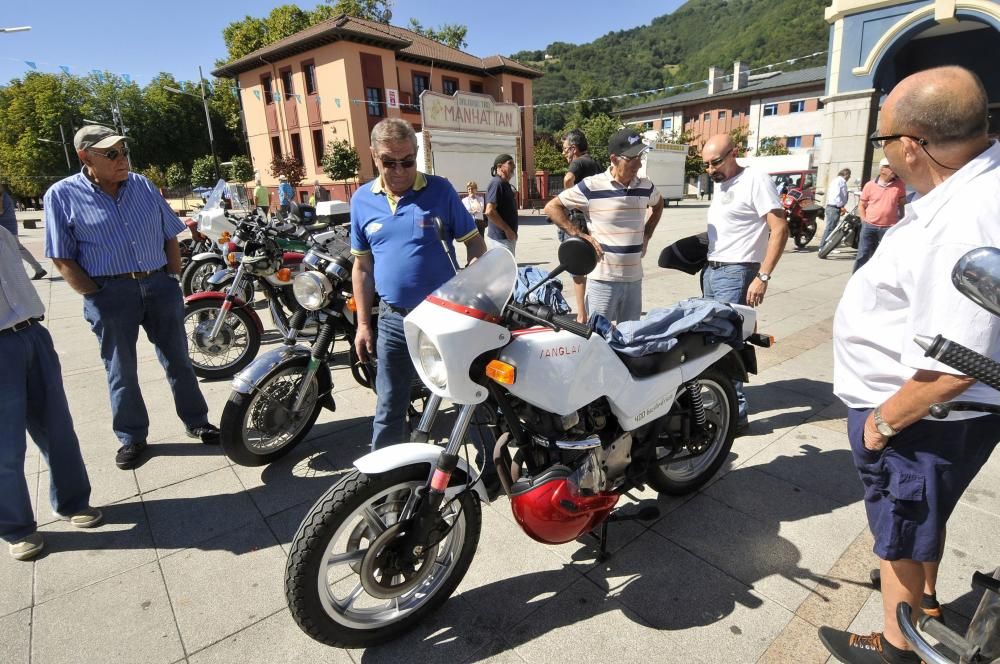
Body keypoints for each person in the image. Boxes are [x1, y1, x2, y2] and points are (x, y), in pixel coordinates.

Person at [819, 66, 1000, 664]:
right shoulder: (967, 192)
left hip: (921, 418)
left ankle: (897, 646)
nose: (886, 150)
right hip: (933, 417)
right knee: (922, 522)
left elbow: (960, 362)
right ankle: (924, 610)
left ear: (911, 144)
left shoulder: (963, 220)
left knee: (898, 530)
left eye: (884, 137)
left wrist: (882, 425)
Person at [43, 126, 221, 471]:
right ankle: (132, 436)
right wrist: (95, 295)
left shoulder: (141, 185)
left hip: (158, 285)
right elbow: (62, 257)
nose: (121, 159)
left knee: (179, 361)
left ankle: (197, 420)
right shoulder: (61, 195)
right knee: (120, 369)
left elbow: (170, 233)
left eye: (123, 151)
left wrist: (172, 277)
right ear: (85, 157)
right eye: (111, 154)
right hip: (110, 293)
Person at [351, 118, 486, 449]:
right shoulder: (361, 201)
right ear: (373, 156)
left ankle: (489, 469)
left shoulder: (440, 191)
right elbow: (362, 267)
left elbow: (475, 244)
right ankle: (382, 484)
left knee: (467, 395)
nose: (399, 170)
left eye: (407, 161)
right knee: (389, 404)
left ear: (416, 156)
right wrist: (363, 325)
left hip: (443, 315)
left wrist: (474, 276)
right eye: (388, 162)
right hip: (394, 320)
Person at [0, 226, 103, 560]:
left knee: (57, 428)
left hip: (32, 334)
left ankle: (73, 502)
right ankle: (17, 528)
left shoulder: (2, 233)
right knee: (6, 449)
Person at [699, 134, 788, 430]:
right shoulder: (723, 184)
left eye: (716, 163)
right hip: (713, 271)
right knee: (713, 341)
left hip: (736, 273)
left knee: (727, 344)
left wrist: (762, 276)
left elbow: (779, 229)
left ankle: (734, 415)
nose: (711, 170)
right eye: (706, 165)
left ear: (734, 153)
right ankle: (722, 405)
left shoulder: (755, 180)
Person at [544, 128, 664, 324]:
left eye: (640, 156)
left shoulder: (645, 186)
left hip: (634, 280)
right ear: (614, 159)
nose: (638, 163)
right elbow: (552, 207)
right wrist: (579, 235)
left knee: (629, 340)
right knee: (597, 340)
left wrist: (647, 235)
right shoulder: (592, 186)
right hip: (602, 281)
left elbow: (658, 205)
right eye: (632, 157)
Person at [854, 158, 906, 272]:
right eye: (890, 166)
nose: (894, 169)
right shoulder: (870, 185)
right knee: (863, 255)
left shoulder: (900, 185)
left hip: (889, 228)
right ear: (882, 169)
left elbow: (902, 204)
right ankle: (856, 281)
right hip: (869, 226)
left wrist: (901, 220)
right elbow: (861, 205)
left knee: (886, 257)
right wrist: (864, 221)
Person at [559, 129, 604, 242]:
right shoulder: (596, 163)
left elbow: (568, 179)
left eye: (565, 149)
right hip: (594, 218)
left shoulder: (578, 162)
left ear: (573, 149)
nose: (563, 153)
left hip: (578, 220)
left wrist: (568, 201)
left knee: (573, 255)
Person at [1, 184, 46, 280]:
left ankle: (38, 269)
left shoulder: (1, 195)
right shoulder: (4, 194)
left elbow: (0, 211)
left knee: (17, 250)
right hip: (8, 226)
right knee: (18, 250)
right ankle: (38, 269)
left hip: (5, 228)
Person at [484, 154, 519, 255]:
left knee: (506, 269)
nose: (514, 166)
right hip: (501, 239)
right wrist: (508, 230)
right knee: (504, 270)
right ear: (499, 167)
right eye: (510, 163)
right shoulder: (497, 183)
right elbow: (489, 211)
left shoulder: (504, 184)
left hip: (506, 237)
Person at [821, 168, 851, 247]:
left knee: (832, 227)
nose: (849, 177)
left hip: (834, 207)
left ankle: (827, 246)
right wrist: (841, 206)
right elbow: (836, 195)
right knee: (830, 228)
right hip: (834, 207)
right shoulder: (839, 181)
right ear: (846, 175)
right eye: (849, 175)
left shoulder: (838, 181)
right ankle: (823, 246)